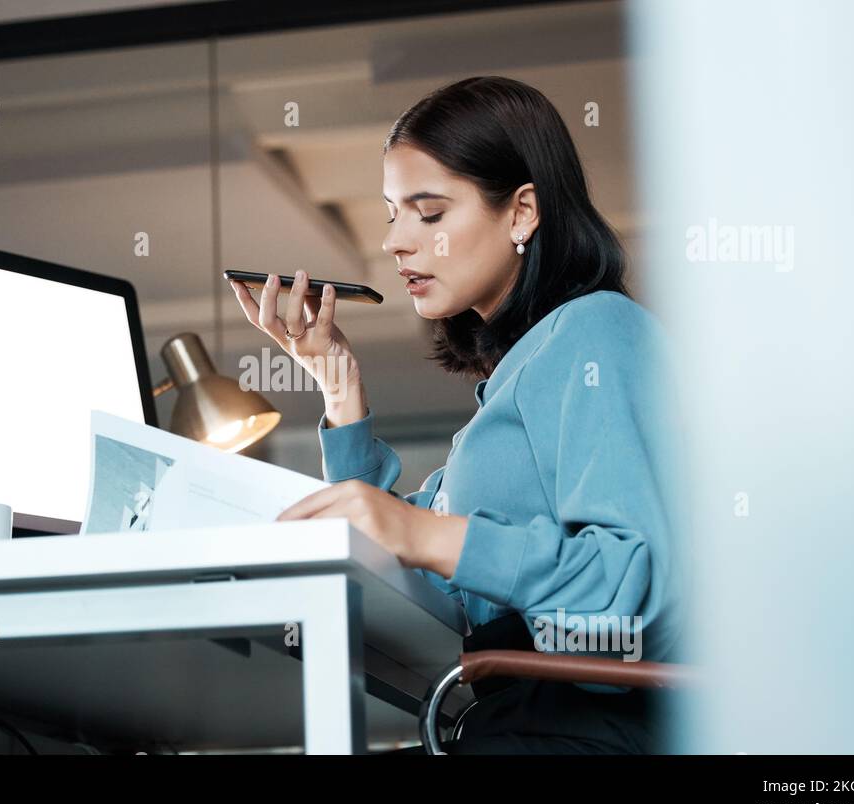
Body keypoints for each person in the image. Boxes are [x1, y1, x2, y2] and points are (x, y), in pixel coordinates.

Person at [229, 76, 684, 754]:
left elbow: (630, 592)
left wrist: (426, 532)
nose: (396, 243)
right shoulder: (517, 378)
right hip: (522, 724)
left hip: (582, 734)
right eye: (392, 214)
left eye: (430, 213)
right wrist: (339, 387)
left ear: (523, 211)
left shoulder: (597, 333)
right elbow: (428, 591)